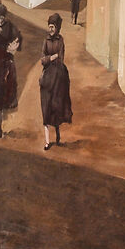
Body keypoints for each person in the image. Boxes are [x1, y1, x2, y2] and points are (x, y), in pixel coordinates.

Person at [39, 12, 73, 149]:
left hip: (58, 77)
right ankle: (47, 141)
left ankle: (57, 134)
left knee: (57, 106)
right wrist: (50, 58)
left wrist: (53, 59)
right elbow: (43, 59)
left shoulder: (61, 40)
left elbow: (61, 59)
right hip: (47, 78)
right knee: (46, 108)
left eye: (53, 26)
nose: (51, 29)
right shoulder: (46, 41)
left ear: (57, 28)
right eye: (49, 26)